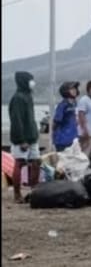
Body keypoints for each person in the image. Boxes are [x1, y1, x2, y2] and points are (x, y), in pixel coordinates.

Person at [9, 71, 39, 203]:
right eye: (30, 80)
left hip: (32, 136)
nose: (32, 82)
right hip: (22, 139)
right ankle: (17, 194)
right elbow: (17, 120)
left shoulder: (28, 96)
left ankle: (35, 192)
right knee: (20, 163)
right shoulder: (18, 98)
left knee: (36, 162)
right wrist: (21, 140)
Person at [53, 82, 80, 152]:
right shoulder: (63, 105)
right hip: (63, 139)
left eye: (75, 88)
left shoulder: (75, 103)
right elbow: (56, 121)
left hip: (73, 138)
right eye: (71, 89)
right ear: (65, 91)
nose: (74, 90)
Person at [76, 80, 91, 157]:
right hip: (86, 132)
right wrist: (85, 130)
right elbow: (81, 114)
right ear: (90, 89)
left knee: (90, 153)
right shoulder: (84, 100)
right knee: (84, 153)